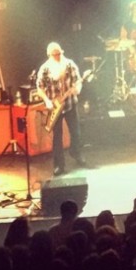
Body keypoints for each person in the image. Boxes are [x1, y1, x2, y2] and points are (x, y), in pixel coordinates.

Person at [36, 42, 86, 176]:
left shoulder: (69, 64)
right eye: (55, 55)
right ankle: (59, 165)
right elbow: (40, 88)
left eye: (59, 54)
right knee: (57, 137)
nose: (58, 56)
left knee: (75, 131)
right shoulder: (45, 69)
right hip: (55, 106)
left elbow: (78, 81)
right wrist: (47, 101)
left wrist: (77, 89)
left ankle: (76, 153)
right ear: (49, 55)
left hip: (70, 103)